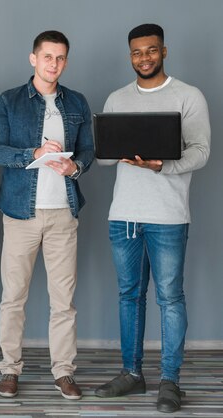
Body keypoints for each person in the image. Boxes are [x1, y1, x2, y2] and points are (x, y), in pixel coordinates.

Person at [94, 24, 210, 414]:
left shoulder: (188, 96)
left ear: (164, 51)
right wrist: (119, 149)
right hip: (124, 215)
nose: (144, 58)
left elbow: (201, 152)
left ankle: (170, 381)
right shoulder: (116, 99)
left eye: (151, 50)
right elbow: (105, 157)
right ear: (130, 56)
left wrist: (164, 165)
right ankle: (132, 373)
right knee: (130, 296)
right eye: (137, 52)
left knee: (170, 298)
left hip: (168, 216)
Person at [0, 30, 94, 400]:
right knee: (13, 297)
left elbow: (88, 153)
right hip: (20, 213)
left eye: (61, 58)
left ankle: (63, 372)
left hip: (64, 212)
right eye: (48, 57)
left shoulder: (77, 102)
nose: (54, 64)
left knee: (63, 301)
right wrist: (33, 153)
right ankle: (10, 369)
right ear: (33, 58)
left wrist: (74, 167)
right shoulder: (9, 101)